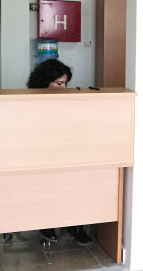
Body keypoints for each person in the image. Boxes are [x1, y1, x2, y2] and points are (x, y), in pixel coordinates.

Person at [25, 58, 94, 246]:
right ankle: (46, 223)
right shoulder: (29, 101)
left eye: (65, 83)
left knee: (78, 180)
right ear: (44, 82)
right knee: (46, 183)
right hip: (40, 153)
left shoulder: (66, 101)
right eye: (59, 83)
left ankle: (76, 225)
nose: (63, 88)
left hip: (65, 150)